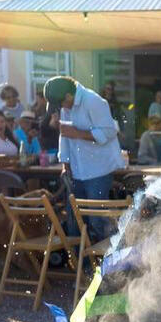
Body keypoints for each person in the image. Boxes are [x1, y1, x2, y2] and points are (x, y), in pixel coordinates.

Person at [45, 75, 123, 238]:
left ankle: (104, 261)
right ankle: (80, 262)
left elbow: (110, 131)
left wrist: (78, 133)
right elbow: (64, 135)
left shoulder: (94, 101)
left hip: (99, 170)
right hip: (76, 170)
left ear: (68, 96)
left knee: (97, 220)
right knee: (75, 221)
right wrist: (65, 164)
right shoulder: (67, 105)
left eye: (60, 103)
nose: (60, 108)